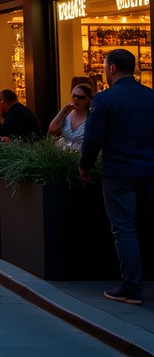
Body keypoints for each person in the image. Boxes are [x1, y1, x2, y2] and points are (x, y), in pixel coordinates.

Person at [80, 48, 154, 306]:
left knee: (124, 229)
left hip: (119, 172)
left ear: (111, 69)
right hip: (149, 171)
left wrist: (85, 166)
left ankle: (131, 287)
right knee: (140, 227)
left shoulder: (104, 100)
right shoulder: (150, 96)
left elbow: (93, 140)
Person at [48, 83, 92, 149]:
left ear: (89, 99)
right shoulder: (67, 115)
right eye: (74, 96)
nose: (76, 99)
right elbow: (52, 130)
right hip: (64, 154)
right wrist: (64, 109)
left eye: (81, 97)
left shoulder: (91, 117)